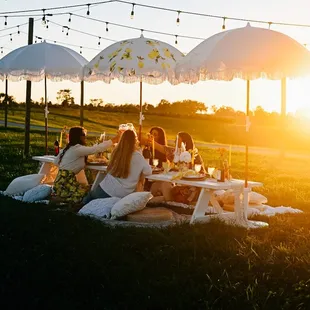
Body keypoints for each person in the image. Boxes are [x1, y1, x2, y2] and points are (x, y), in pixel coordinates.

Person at [53, 126, 119, 205]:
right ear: (79, 137)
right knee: (86, 197)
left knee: (87, 190)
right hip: (66, 183)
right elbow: (96, 149)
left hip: (59, 181)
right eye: (84, 135)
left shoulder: (67, 148)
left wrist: (72, 164)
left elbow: (56, 162)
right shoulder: (77, 149)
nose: (85, 137)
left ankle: (61, 199)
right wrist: (114, 140)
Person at [85, 129, 152, 202]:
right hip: (121, 194)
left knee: (88, 199)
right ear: (135, 141)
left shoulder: (116, 152)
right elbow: (148, 172)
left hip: (104, 189)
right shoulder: (138, 156)